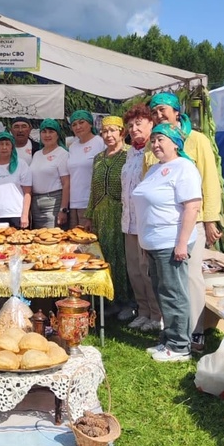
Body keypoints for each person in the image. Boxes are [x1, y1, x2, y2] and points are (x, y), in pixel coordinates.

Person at [148, 93, 222, 353]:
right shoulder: (153, 143)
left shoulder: (197, 140)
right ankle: (174, 330)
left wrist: (211, 219)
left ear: (176, 111)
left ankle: (196, 331)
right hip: (163, 225)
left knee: (190, 277)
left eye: (163, 110)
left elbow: (210, 180)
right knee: (167, 282)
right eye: (154, 112)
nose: (158, 115)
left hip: (192, 220)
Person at [132, 123, 202, 362]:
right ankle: (168, 339)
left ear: (175, 143)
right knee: (162, 293)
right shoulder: (154, 169)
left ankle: (180, 346)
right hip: (153, 243)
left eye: (161, 139)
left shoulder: (184, 168)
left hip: (171, 242)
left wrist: (181, 244)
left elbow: (192, 207)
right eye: (153, 140)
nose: (155, 144)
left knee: (173, 294)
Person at [83, 116, 130, 313]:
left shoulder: (129, 155)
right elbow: (93, 189)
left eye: (113, 130)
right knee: (104, 256)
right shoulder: (98, 158)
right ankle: (108, 301)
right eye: (105, 131)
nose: (108, 135)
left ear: (122, 132)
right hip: (101, 215)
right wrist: (89, 215)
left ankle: (127, 302)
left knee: (122, 258)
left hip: (120, 213)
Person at [120, 104, 161, 331]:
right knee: (134, 271)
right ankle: (142, 310)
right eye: (130, 125)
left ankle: (156, 315)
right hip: (129, 221)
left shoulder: (153, 151)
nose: (133, 128)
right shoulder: (130, 152)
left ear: (151, 124)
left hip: (146, 221)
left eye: (138, 123)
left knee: (147, 272)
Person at [0, 131, 32, 229]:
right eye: (1, 144)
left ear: (12, 147)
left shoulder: (21, 165)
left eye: (7, 144)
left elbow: (28, 192)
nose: (4, 147)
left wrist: (25, 215)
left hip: (17, 215)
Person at [66, 110, 105, 229]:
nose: (78, 127)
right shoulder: (72, 147)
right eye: (74, 124)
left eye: (81, 122)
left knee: (89, 238)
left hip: (90, 202)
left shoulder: (100, 142)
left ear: (90, 124)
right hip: (73, 203)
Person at [29, 118, 70, 228]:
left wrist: (63, 209)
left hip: (53, 203)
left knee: (52, 235)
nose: (47, 135)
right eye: (44, 132)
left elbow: (66, 183)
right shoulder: (37, 154)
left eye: (51, 132)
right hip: (35, 204)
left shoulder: (62, 154)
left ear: (57, 135)